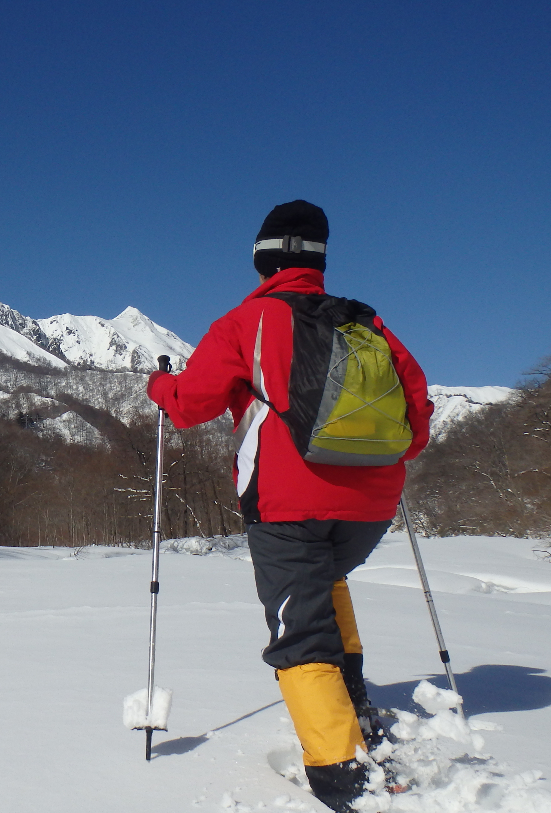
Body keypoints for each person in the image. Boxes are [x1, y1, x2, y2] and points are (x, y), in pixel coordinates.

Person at [146, 200, 433, 813]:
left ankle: (339, 772)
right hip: (372, 504)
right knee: (324, 583)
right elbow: (418, 419)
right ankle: (354, 705)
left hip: (285, 502)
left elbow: (190, 405)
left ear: (262, 258)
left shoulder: (247, 322)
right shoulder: (368, 325)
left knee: (297, 627)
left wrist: (158, 386)